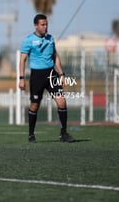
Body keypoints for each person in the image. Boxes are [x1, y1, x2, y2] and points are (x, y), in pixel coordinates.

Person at [18, 13, 75, 143]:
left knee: (61, 101)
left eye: (46, 24)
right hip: (37, 76)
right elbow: (22, 60)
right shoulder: (28, 40)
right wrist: (21, 78)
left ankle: (63, 134)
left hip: (51, 74)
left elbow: (55, 57)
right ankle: (31, 134)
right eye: (43, 25)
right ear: (36, 26)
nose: (45, 27)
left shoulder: (51, 39)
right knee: (34, 105)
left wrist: (61, 74)